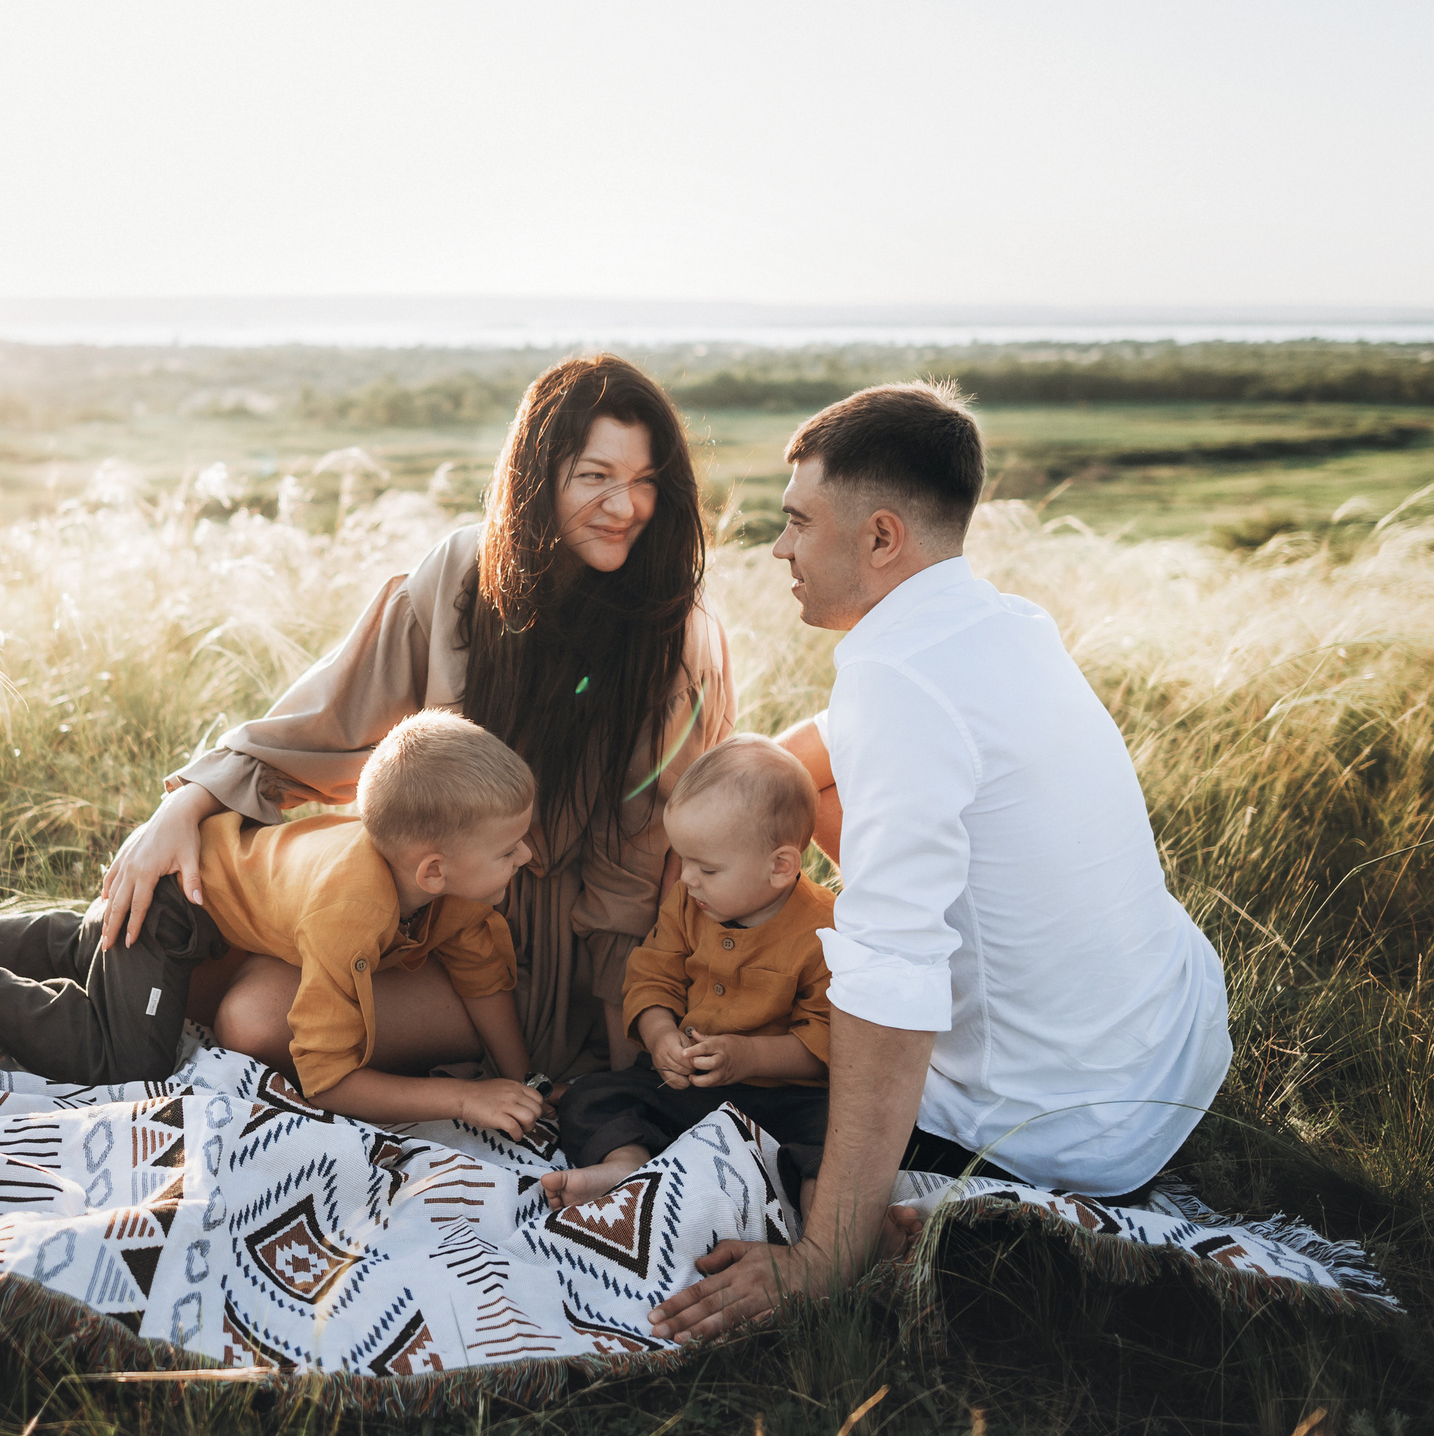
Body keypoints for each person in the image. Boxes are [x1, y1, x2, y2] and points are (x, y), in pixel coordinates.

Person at [651, 380, 1233, 1341]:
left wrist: (824, 1256)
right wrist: (721, 820)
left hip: (1063, 1124)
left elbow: (890, 983)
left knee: (725, 1119)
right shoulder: (995, 624)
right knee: (825, 797)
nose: (779, 549)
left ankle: (907, 1240)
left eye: (798, 523)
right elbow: (825, 749)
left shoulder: (900, 678)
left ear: (882, 538)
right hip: (1168, 1053)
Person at [98, 354, 736, 1081]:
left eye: (645, 482)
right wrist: (184, 803)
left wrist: (629, 1047)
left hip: (560, 953)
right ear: (535, 474)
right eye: (595, 476)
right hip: (427, 897)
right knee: (198, 947)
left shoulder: (672, 634)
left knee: (254, 1019)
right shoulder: (461, 574)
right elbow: (328, 719)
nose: (625, 508)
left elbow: (635, 870)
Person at [0, 711, 548, 1135]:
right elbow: (328, 1078)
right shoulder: (353, 909)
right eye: (509, 848)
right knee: (125, 1058)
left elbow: (483, 972)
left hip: (213, 891)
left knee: (87, 946)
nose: (528, 856)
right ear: (432, 870)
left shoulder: (455, 891)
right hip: (175, 909)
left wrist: (524, 1084)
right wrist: (461, 1097)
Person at [543, 733, 835, 1207]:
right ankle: (626, 1166)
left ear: (780, 866)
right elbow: (651, 975)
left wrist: (750, 1058)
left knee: (834, 1132)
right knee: (590, 1097)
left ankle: (818, 1220)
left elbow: (825, 1041)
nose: (685, 878)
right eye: (683, 861)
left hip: (784, 1099)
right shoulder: (689, 903)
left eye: (708, 868)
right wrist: (660, 1037)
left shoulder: (825, 930)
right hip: (691, 1090)